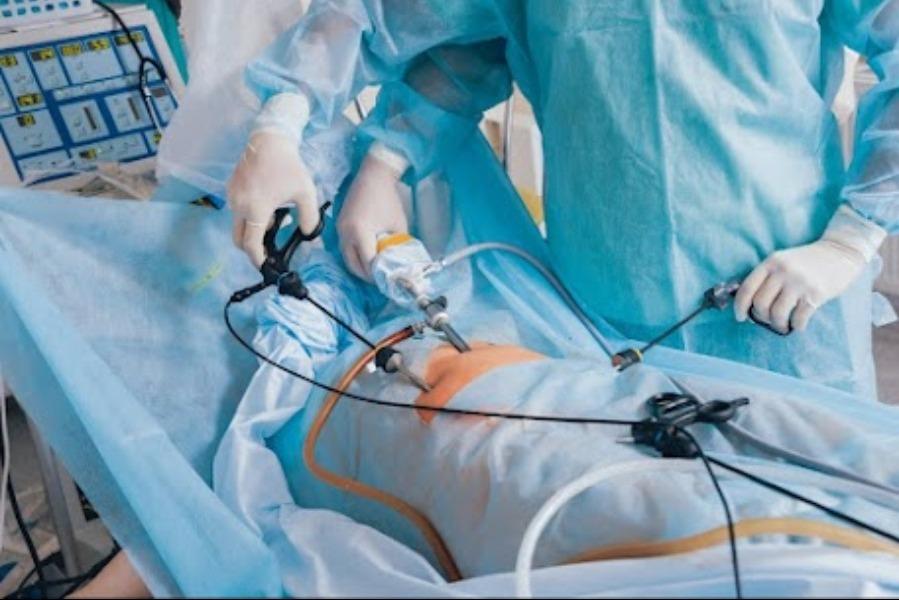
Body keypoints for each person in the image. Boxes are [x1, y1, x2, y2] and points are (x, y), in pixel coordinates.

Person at [227, 1, 899, 398]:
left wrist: (851, 239)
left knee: (821, 534)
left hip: (788, 299)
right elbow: (440, 35)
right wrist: (339, 143)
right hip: (607, 295)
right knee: (638, 526)